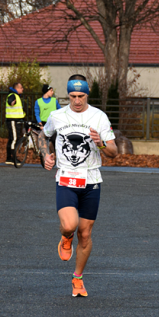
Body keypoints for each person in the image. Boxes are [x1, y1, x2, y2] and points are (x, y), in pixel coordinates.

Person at [43, 74, 118, 297]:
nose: (77, 100)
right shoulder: (57, 115)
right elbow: (43, 136)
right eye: (73, 96)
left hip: (92, 180)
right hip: (66, 178)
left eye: (81, 96)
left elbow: (114, 152)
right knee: (70, 225)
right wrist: (45, 155)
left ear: (87, 94)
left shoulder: (99, 117)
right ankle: (66, 238)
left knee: (85, 234)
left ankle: (77, 278)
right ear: (68, 95)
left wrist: (101, 143)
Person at [5, 81, 25, 165]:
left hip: (16, 120)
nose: (22, 89)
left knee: (11, 139)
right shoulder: (13, 95)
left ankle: (9, 158)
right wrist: (11, 102)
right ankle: (13, 159)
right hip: (13, 120)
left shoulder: (16, 95)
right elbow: (10, 101)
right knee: (14, 139)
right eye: (21, 88)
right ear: (16, 88)